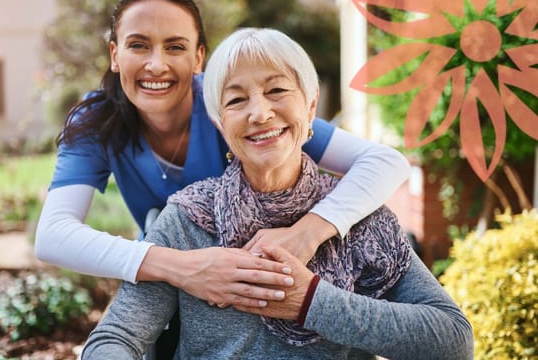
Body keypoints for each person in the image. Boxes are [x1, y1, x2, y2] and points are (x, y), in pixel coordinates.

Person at [34, 0, 410, 357]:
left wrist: (308, 232)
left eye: (175, 47)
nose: (156, 63)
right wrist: (183, 267)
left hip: (257, 288)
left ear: (199, 59)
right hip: (168, 286)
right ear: (115, 55)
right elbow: (53, 234)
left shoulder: (236, 109)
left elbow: (385, 162)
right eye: (138, 45)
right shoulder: (97, 119)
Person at [80, 27, 473, 359]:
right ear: (220, 125)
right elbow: (115, 339)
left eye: (277, 90)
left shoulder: (362, 219)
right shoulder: (188, 219)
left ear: (310, 106)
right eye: (236, 100)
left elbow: (453, 340)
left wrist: (310, 301)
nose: (260, 113)